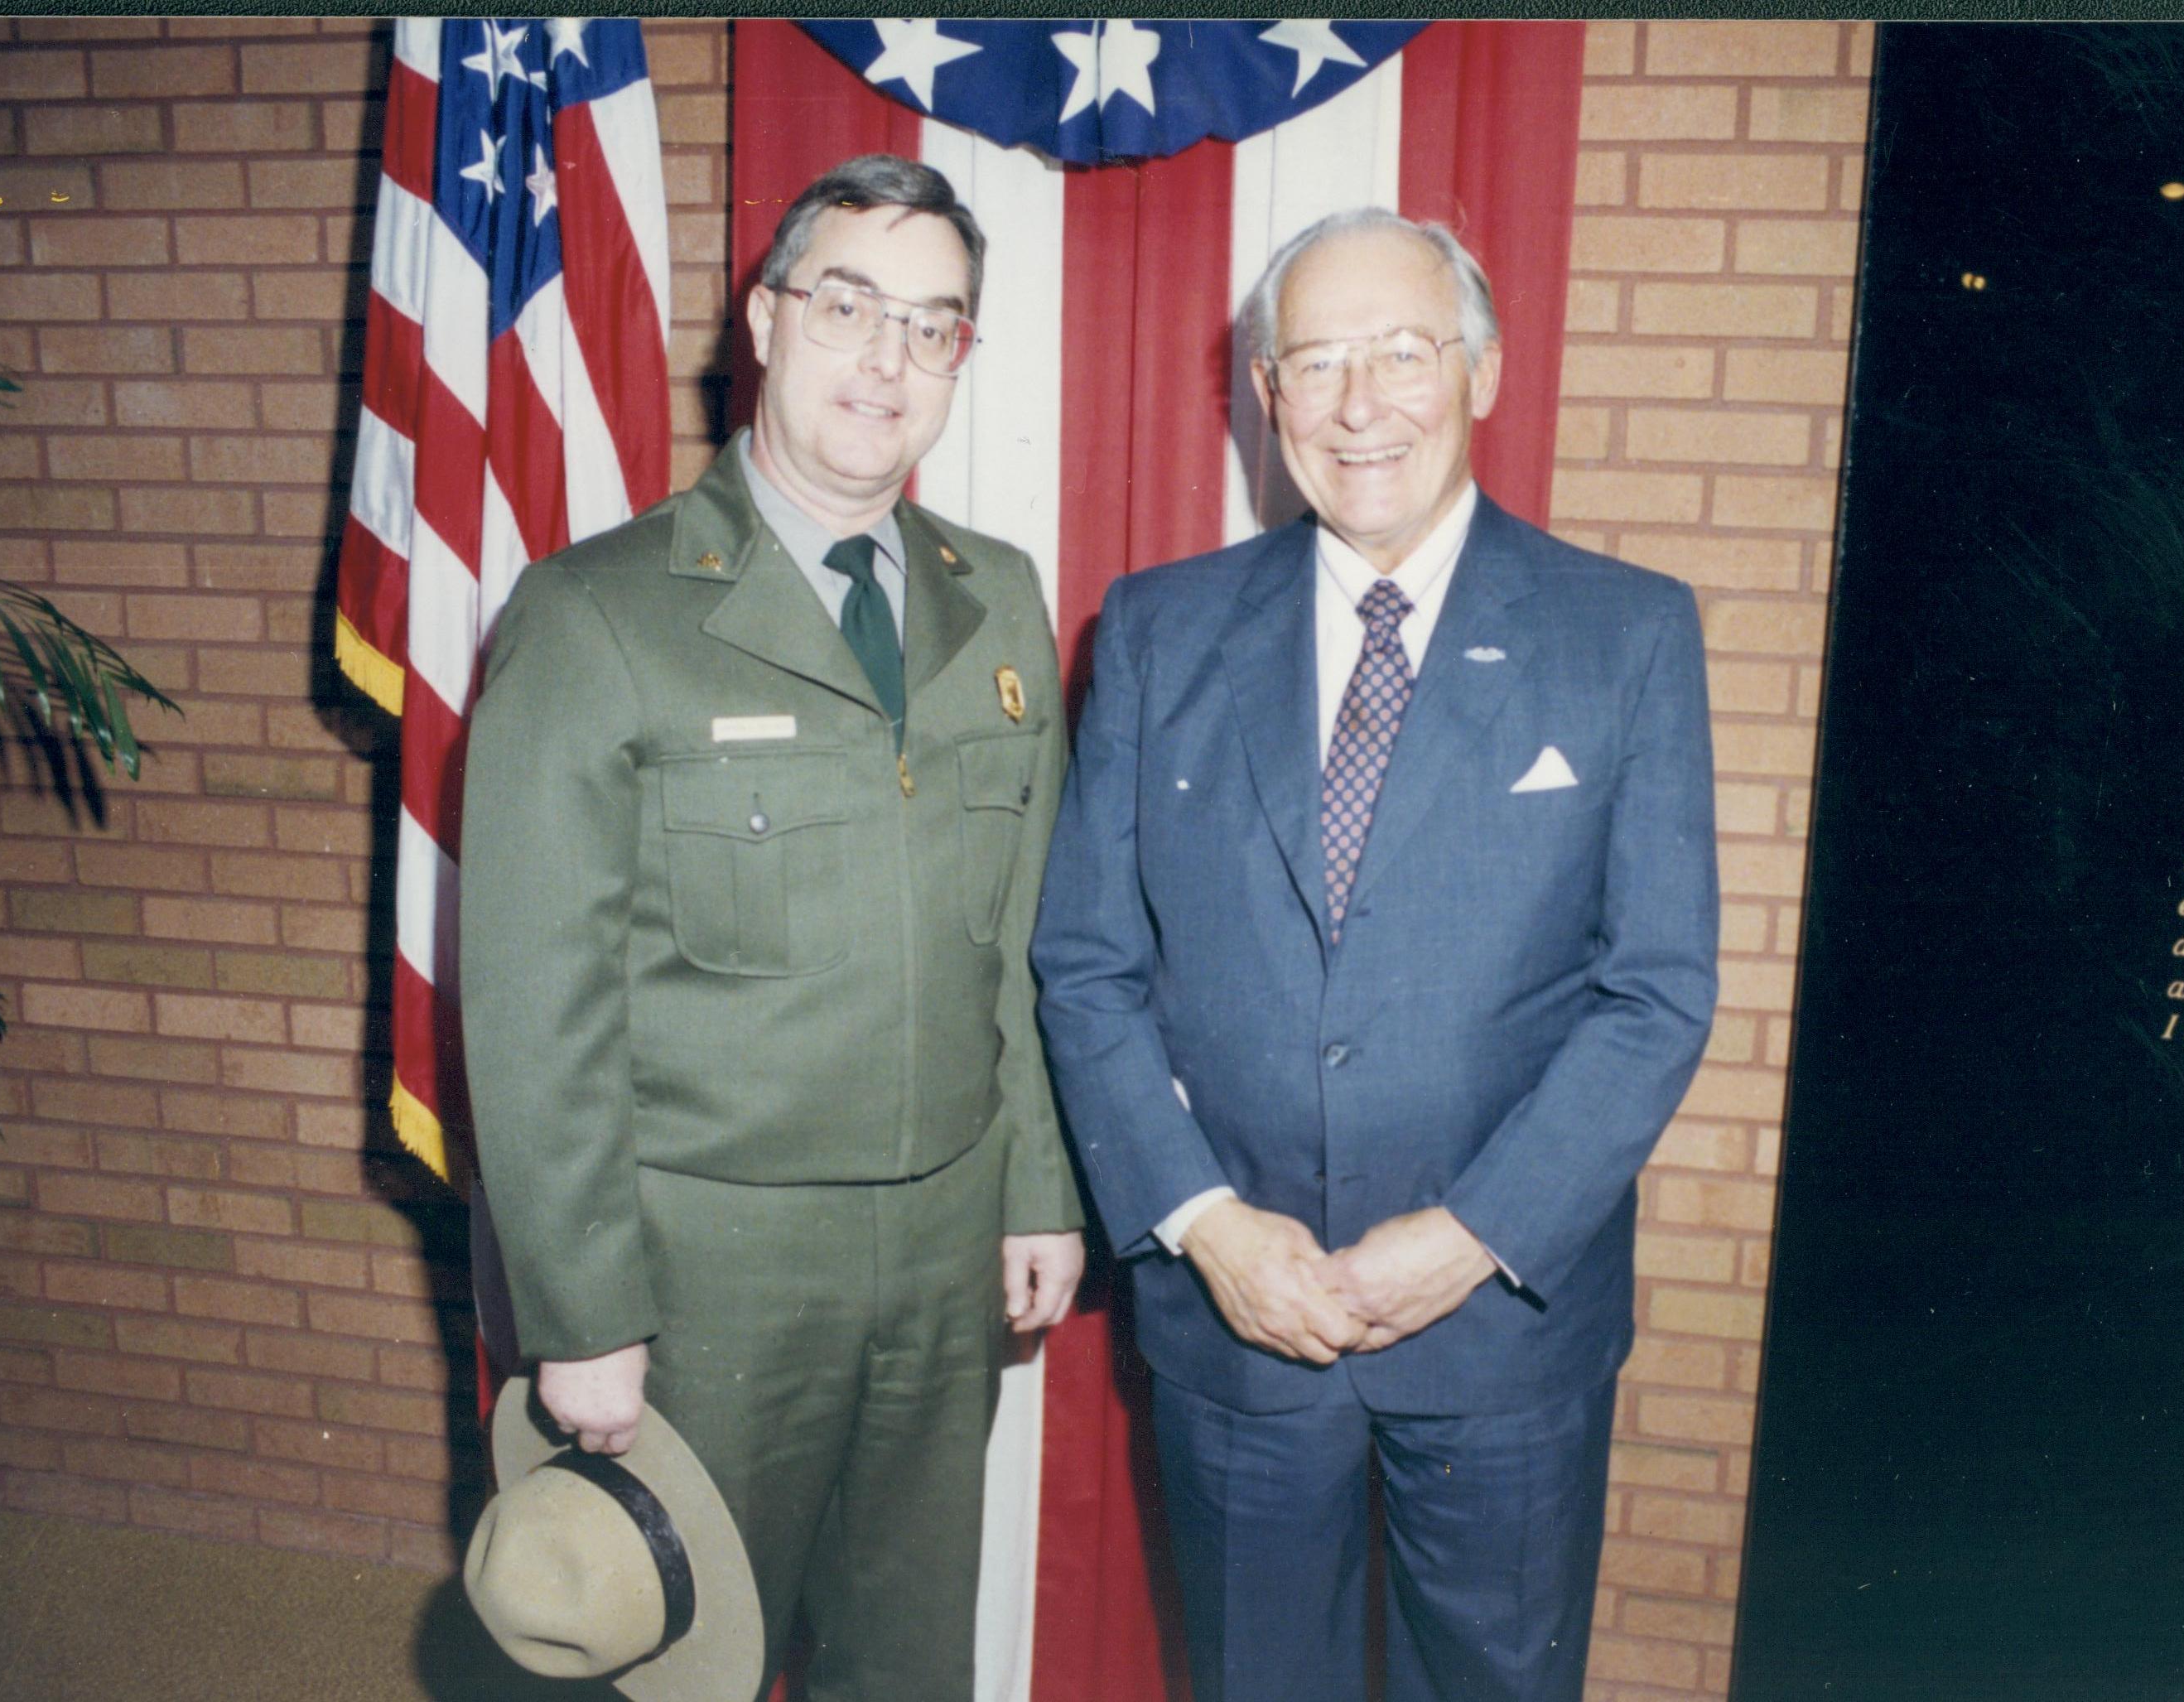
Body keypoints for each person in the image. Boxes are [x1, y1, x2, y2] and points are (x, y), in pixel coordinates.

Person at [1031, 208, 1719, 1701]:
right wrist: (1208, 1226)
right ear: (1265, 397)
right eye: (1316, 362)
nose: (1359, 404)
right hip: (1240, 1321)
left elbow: (1654, 990)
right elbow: (1085, 965)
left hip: (1501, 1327)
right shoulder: (1156, 630)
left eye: (1402, 353)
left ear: (1480, 369)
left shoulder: (1628, 636)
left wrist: (1470, 1232)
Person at [460, 153, 1085, 1702]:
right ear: (764, 320)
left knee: (905, 1652)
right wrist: (584, 1314)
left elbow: (1017, 941)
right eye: (848, 305)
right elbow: (537, 1009)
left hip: (944, 1251)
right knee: (680, 1664)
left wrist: (1040, 1189)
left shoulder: (997, 599)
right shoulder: (598, 615)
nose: (886, 358)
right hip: (706, 1270)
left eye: (932, 325)